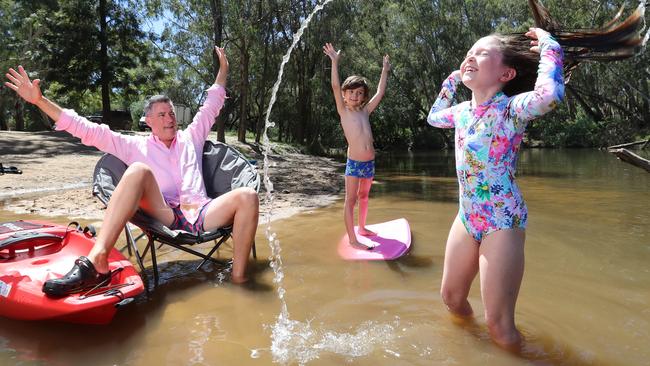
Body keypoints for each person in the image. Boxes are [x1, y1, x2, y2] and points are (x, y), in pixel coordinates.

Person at [4, 46, 259, 295]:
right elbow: (85, 128)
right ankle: (98, 259)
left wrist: (224, 68)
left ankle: (239, 281)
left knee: (248, 195)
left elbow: (213, 102)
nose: (169, 118)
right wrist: (39, 100)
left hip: (203, 211)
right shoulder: (134, 145)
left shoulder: (192, 136)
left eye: (171, 113)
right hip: (166, 214)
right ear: (148, 122)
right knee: (138, 170)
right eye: (161, 115)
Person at [323, 42, 390, 250]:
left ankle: (362, 228)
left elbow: (380, 92)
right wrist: (334, 62)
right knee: (350, 200)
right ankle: (353, 240)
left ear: (363, 96)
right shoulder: (344, 112)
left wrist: (384, 70)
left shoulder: (365, 111)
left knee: (364, 196)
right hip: (353, 164)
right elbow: (335, 85)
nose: (355, 96)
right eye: (351, 92)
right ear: (344, 95)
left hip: (369, 163)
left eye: (359, 93)